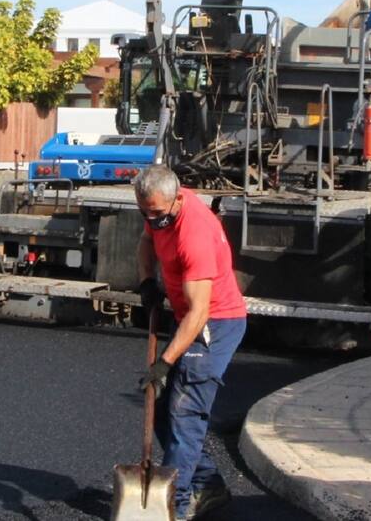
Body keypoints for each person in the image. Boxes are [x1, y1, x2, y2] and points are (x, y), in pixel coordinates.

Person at [134, 165, 247, 520]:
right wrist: (146, 282)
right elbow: (145, 241)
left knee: (184, 412)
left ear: (178, 199)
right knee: (162, 412)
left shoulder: (193, 234)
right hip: (189, 319)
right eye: (145, 211)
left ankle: (175, 507)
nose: (151, 219)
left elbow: (199, 314)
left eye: (156, 212)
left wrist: (163, 364)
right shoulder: (158, 213)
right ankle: (208, 483)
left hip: (215, 322)